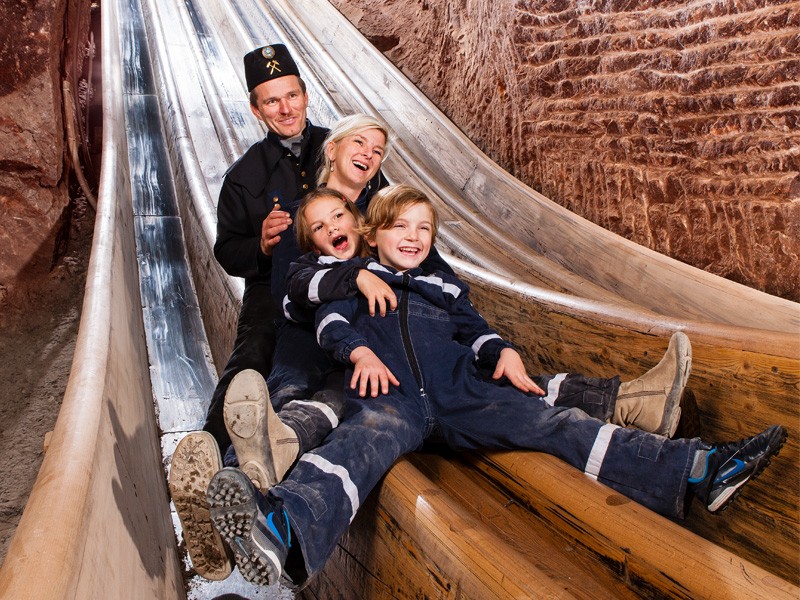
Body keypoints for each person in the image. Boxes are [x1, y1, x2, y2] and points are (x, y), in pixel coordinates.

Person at [204, 184, 788, 588]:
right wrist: (358, 348)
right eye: (401, 227)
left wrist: (503, 351)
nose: (413, 236)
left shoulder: (441, 288)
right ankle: (283, 525)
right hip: (389, 395)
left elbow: (475, 329)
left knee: (553, 422)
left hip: (462, 393)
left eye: (424, 229)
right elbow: (328, 322)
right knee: (359, 448)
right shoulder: (352, 283)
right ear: (373, 235)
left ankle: (695, 469)